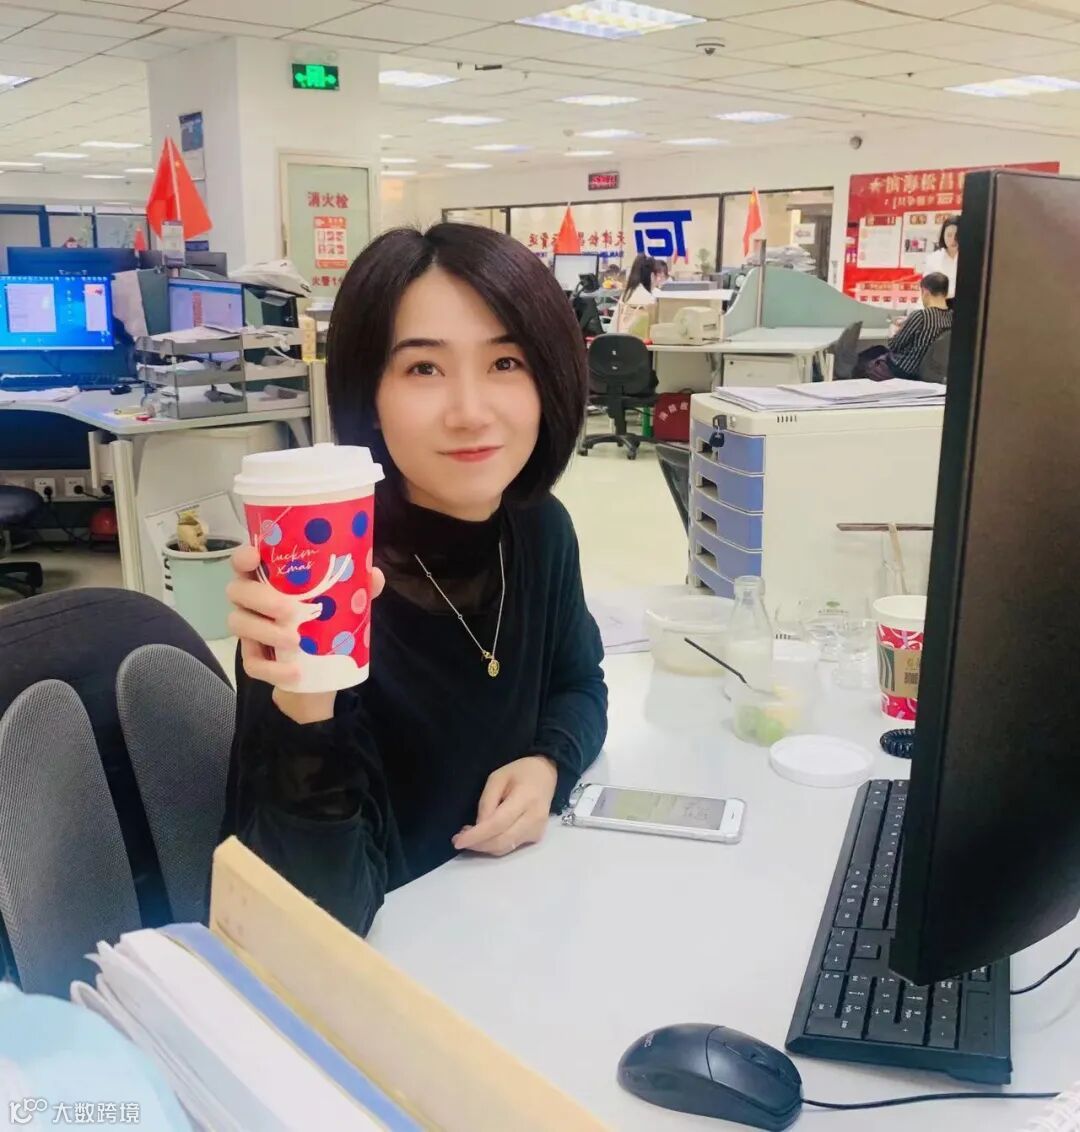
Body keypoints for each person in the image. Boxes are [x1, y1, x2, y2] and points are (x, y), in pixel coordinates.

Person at [222, 224, 608, 936]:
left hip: (512, 928)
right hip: (393, 967)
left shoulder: (538, 528)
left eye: (506, 362)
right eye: (424, 369)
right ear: (369, 395)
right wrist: (306, 700)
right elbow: (320, 921)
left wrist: (548, 764)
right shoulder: (326, 581)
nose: (470, 412)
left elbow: (579, 683)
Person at [856, 272, 952, 381]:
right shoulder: (951, 317)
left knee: (862, 361)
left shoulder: (921, 316)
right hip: (923, 369)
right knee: (878, 349)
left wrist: (893, 326)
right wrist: (908, 323)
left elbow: (894, 345)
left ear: (925, 292)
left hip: (902, 369)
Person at [612, 253, 657, 337]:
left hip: (619, 342)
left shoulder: (626, 295)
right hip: (640, 344)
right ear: (652, 276)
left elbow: (613, 327)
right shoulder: (650, 300)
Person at [923, 215, 959, 299]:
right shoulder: (932, 259)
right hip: (939, 304)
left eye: (957, 235)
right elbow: (926, 290)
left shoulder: (971, 258)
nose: (953, 239)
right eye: (949, 235)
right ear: (943, 235)